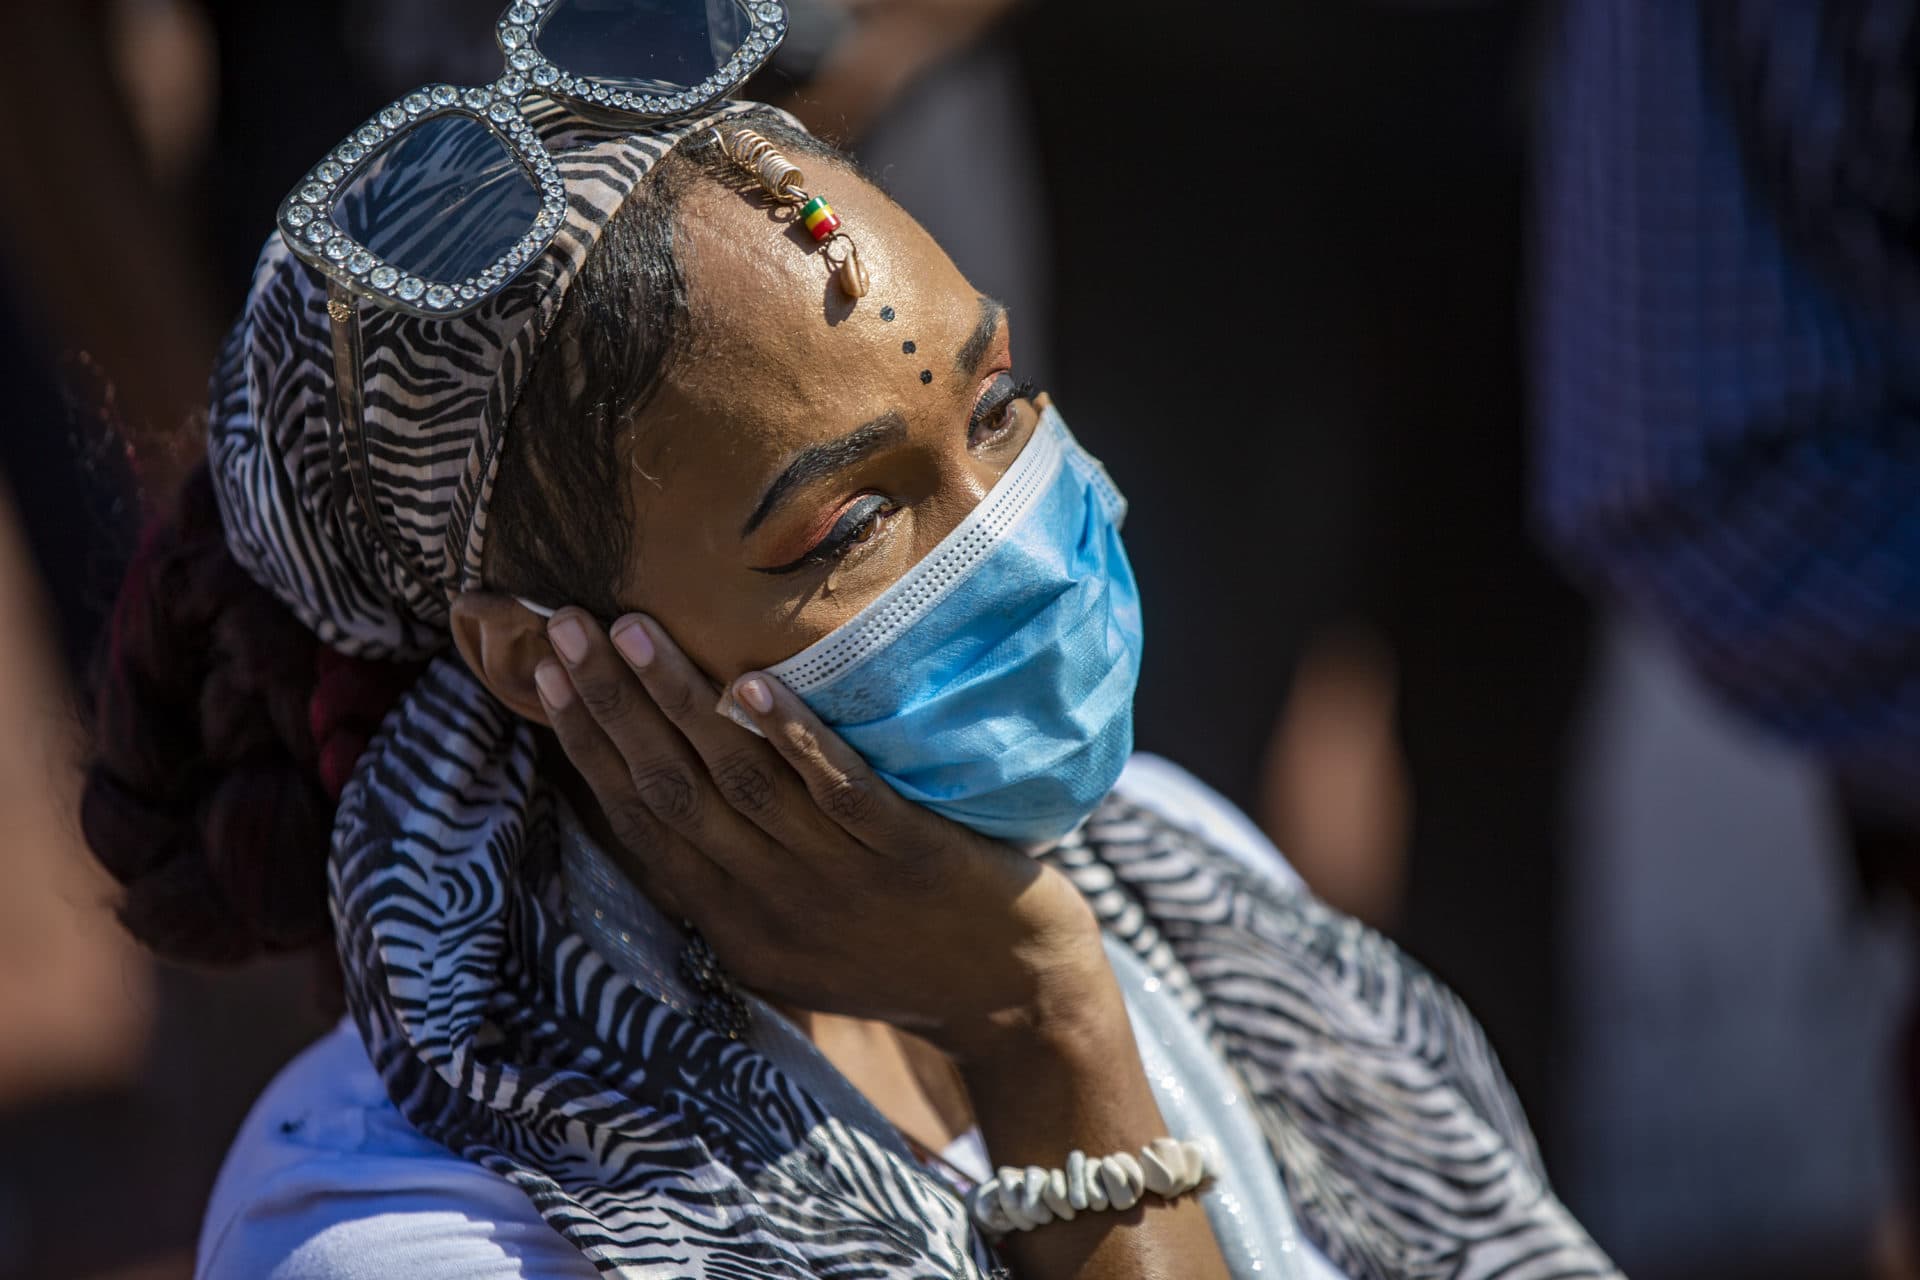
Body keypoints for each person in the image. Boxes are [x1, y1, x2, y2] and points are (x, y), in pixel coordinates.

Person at [78, 10, 1616, 1276]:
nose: (1011, 531)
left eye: (997, 404)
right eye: (845, 526)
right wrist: (1042, 1039)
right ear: (539, 659)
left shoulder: (1168, 864)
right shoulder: (418, 1235)